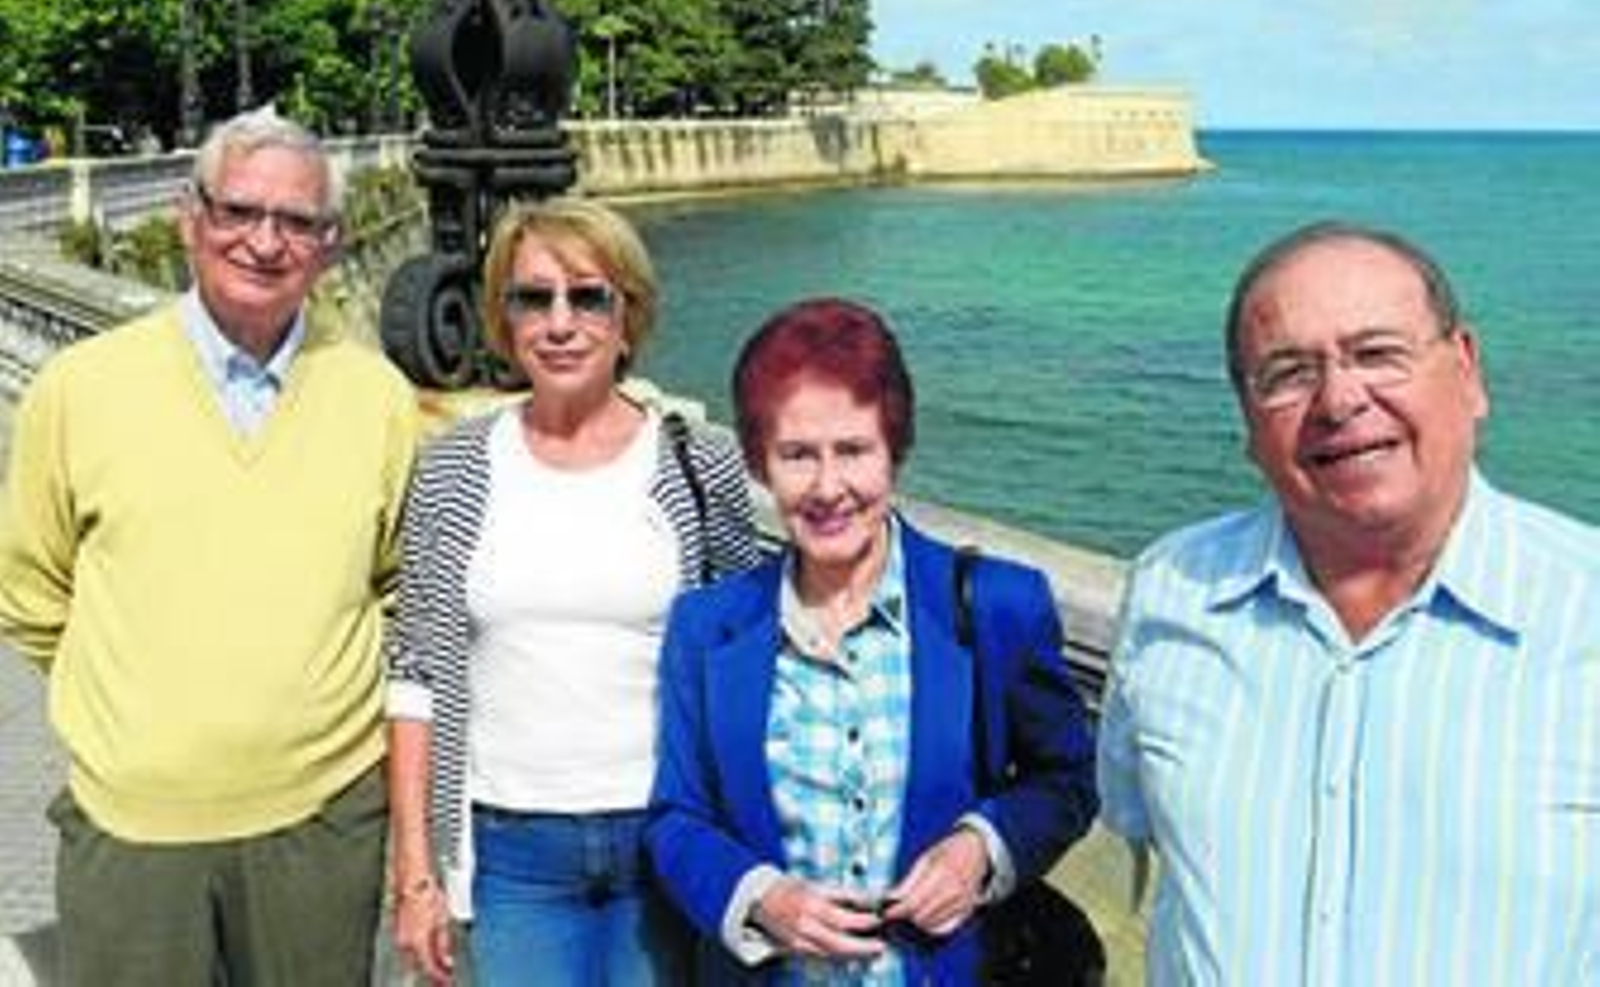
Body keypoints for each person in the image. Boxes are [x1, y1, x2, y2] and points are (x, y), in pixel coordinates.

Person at [1098, 221, 1600, 984]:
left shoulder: (1582, 611)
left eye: (1377, 353)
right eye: (1288, 372)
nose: (1339, 398)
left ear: (1467, 371)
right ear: (1247, 419)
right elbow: (1130, 839)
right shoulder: (1172, 592)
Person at [0, 107, 419, 985]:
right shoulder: (80, 388)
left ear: (330, 243)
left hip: (322, 824)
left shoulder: (375, 398)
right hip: (134, 828)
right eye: (239, 211)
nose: (265, 242)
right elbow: (29, 590)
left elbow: (397, 590)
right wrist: (139, 711)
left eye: (296, 222)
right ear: (192, 218)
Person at [646, 297, 1099, 984]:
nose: (828, 488)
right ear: (760, 463)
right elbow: (676, 816)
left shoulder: (999, 604)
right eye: (797, 454)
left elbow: (1066, 778)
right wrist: (763, 897)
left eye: (853, 450)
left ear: (895, 450)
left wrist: (980, 847)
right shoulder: (706, 626)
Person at [385, 197, 762, 986]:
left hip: (666, 838)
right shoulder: (456, 468)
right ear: (503, 317)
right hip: (512, 849)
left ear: (628, 318)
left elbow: (747, 658)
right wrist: (416, 874)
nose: (561, 322)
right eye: (533, 297)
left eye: (589, 296)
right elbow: (416, 674)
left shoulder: (699, 463)